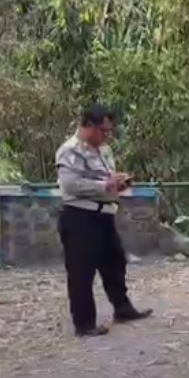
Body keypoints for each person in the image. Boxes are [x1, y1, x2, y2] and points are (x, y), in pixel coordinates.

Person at [56, 103, 153, 336]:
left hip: (104, 214)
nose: (106, 135)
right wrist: (105, 186)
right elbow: (70, 185)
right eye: (103, 130)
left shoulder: (105, 150)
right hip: (79, 215)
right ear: (88, 125)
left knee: (115, 261)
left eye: (109, 131)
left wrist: (118, 181)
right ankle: (84, 323)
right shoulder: (70, 151)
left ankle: (122, 308)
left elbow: (105, 177)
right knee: (82, 271)